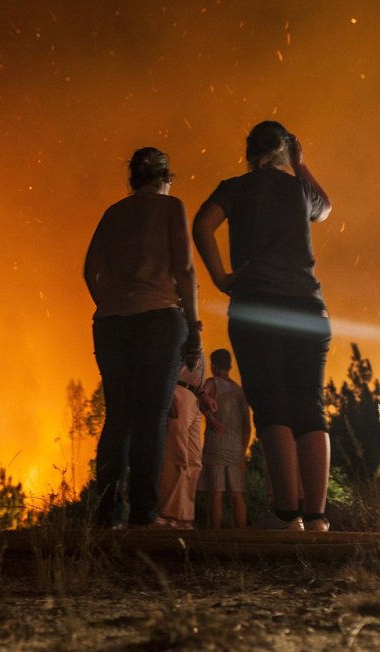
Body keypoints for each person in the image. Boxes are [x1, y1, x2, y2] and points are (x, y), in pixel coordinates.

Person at [192, 121, 333, 532]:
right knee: (310, 408)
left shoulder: (235, 188)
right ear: (285, 150)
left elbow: (202, 226)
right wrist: (301, 166)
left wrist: (220, 277)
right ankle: (318, 517)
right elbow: (325, 209)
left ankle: (288, 517)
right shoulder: (296, 188)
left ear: (249, 152)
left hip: (257, 307)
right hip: (308, 307)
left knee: (274, 409)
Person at [84, 147, 202, 528]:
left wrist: (113, 303)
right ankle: (143, 515)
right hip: (159, 319)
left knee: (118, 418)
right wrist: (195, 327)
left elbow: (89, 271)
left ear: (132, 179)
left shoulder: (113, 213)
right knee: (151, 417)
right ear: (166, 178)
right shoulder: (172, 207)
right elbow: (184, 268)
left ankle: (106, 514)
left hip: (111, 323)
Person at [156, 350, 211, 529]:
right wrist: (169, 392)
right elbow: (165, 359)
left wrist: (202, 393)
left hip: (193, 396)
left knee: (194, 461)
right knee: (176, 456)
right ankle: (167, 514)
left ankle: (184, 516)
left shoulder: (193, 328)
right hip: (178, 391)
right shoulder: (176, 324)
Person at [198, 348, 252, 529]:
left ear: (213, 365)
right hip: (236, 448)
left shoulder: (212, 382)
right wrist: (243, 451)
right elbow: (247, 426)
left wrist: (210, 418)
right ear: (229, 366)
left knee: (216, 494)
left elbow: (202, 396)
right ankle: (241, 536)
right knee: (237, 496)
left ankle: (214, 536)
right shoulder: (239, 390)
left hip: (216, 445)